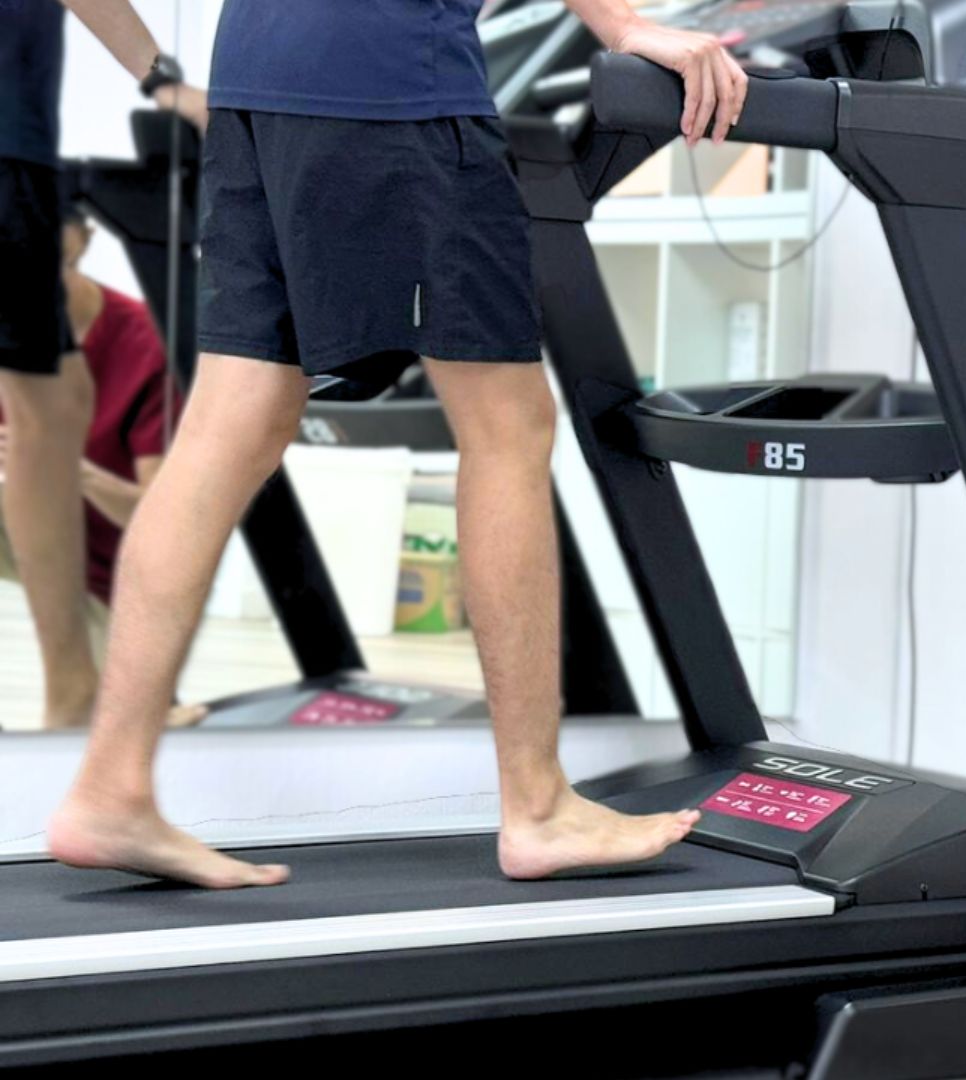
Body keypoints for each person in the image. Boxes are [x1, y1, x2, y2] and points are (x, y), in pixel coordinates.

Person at [45, 0, 751, 889]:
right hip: (390, 77)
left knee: (233, 422)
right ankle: (537, 807)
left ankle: (109, 787)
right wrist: (623, 25)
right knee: (508, 424)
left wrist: (157, 73)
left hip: (256, 76)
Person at [0, 0, 194, 730]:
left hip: (18, 135)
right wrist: (160, 79)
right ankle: (75, 693)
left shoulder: (133, 335)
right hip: (8, 136)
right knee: (50, 403)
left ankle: (79, 687)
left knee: (56, 400)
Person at [0, 201, 176, 724]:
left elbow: (158, 522)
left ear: (78, 242)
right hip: (28, 527)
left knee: (112, 726)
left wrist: (68, 466)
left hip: (112, 565)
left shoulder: (146, 345)